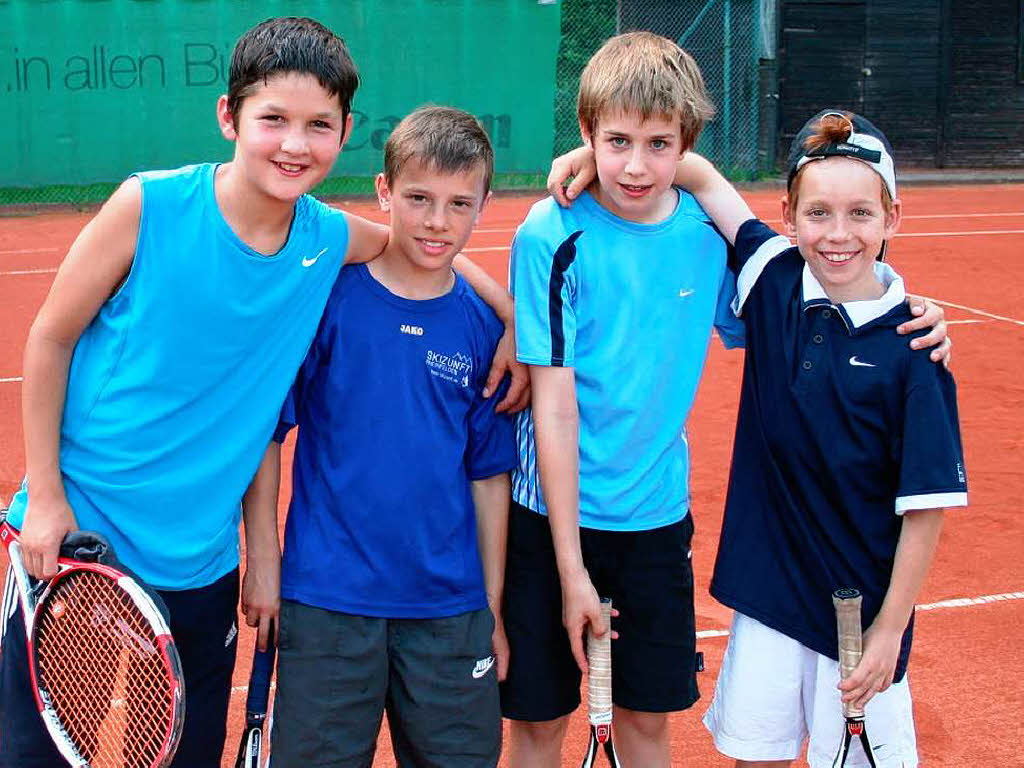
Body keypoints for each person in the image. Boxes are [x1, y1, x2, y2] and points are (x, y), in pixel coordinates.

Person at [0, 18, 523, 768]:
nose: (294, 144)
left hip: (201, 565)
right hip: (80, 538)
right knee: (41, 755)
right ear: (229, 117)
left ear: (344, 132)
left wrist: (508, 318)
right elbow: (49, 339)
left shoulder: (325, 239)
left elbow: (423, 252)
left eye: (318, 125)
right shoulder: (148, 206)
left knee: (180, 753)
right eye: (272, 119)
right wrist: (47, 497)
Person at [507, 32, 953, 768]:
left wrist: (912, 317)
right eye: (615, 141)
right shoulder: (549, 235)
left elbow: (814, 309)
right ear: (585, 134)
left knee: (651, 723)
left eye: (659, 144)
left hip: (655, 524)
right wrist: (570, 569)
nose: (636, 164)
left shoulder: (704, 237)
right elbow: (552, 406)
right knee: (536, 725)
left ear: (683, 144)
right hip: (548, 517)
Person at [676, 110, 967, 768]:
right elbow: (695, 172)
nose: (839, 235)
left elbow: (924, 508)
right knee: (756, 755)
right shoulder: (773, 276)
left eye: (862, 214)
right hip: (769, 597)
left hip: (860, 622)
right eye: (819, 213)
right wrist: (581, 159)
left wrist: (890, 629)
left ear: (893, 218)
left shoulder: (916, 352)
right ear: (788, 214)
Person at [262, 105, 515, 768]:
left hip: (448, 612)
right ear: (384, 193)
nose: (438, 221)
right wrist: (265, 564)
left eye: (460, 203)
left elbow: (488, 477)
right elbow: (269, 438)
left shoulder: (484, 330)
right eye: (419, 199)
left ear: (485, 203)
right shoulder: (330, 302)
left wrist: (490, 608)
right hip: (327, 601)